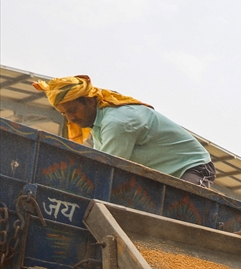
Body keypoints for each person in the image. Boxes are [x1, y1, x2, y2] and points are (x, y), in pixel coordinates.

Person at [32, 75, 215, 187]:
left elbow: (106, 169)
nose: (70, 119)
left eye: (72, 110)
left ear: (89, 100)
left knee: (182, 211)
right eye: (64, 114)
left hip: (193, 167)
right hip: (161, 175)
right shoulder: (98, 122)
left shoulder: (118, 122)